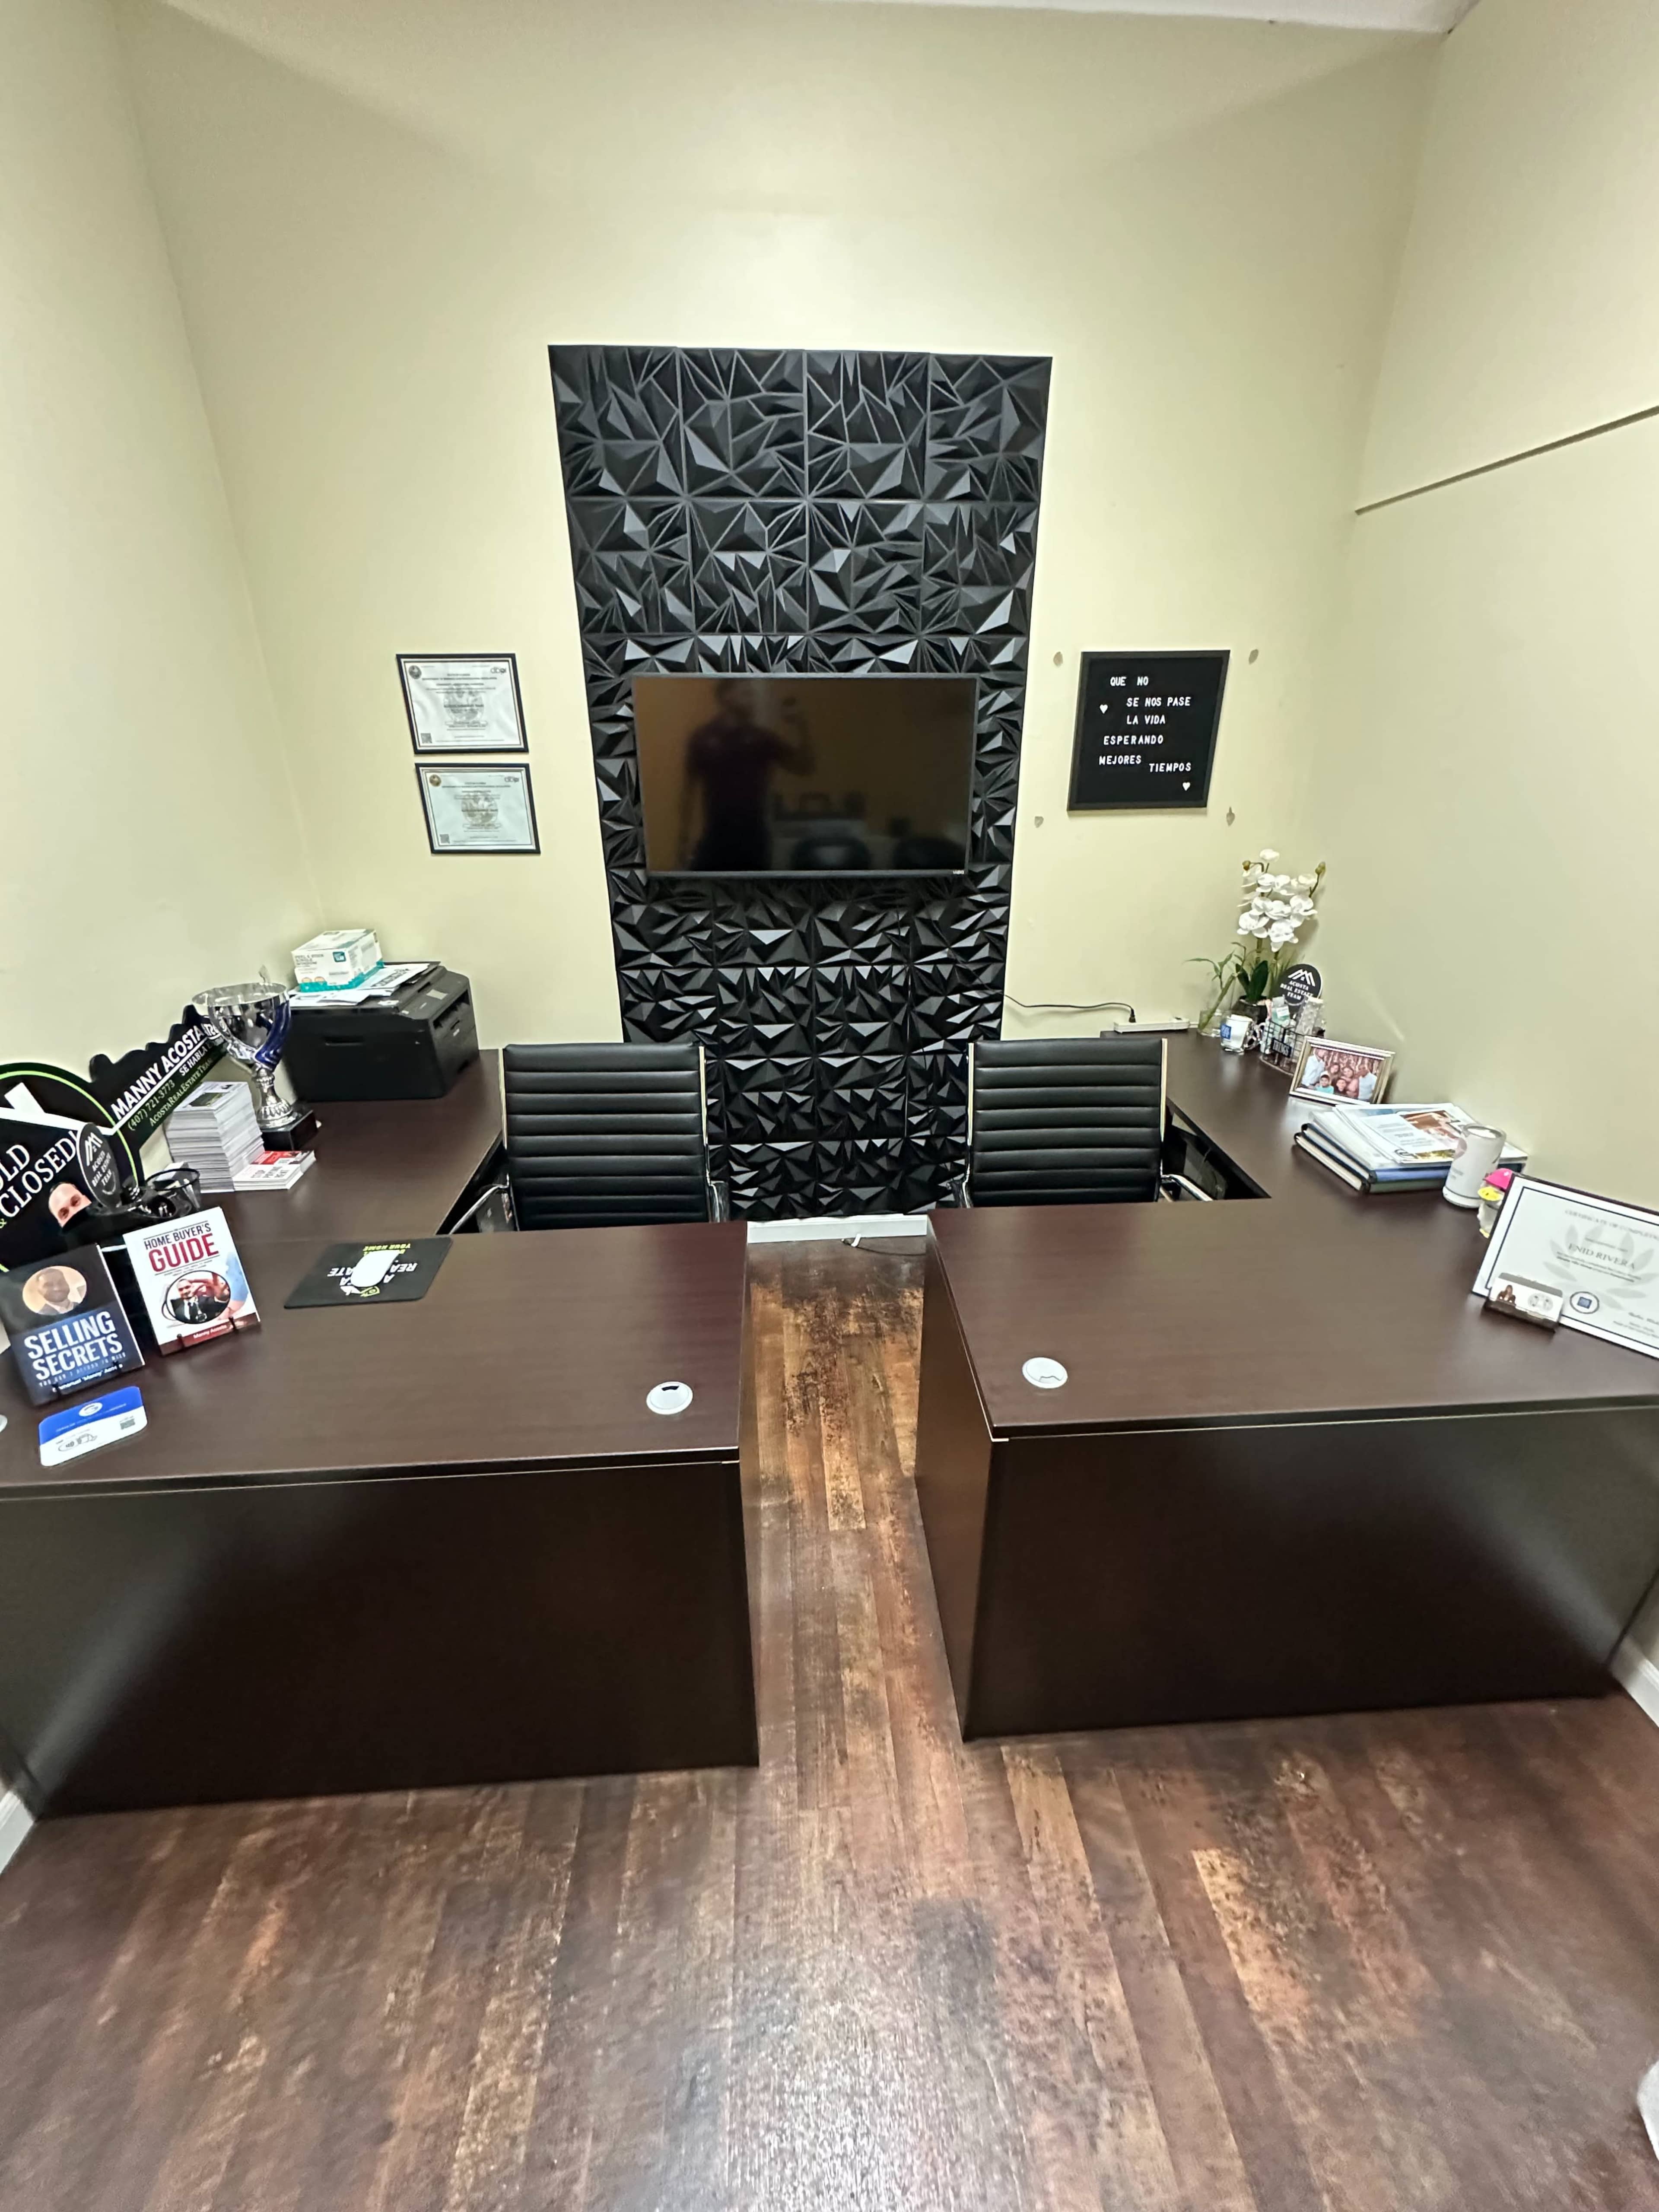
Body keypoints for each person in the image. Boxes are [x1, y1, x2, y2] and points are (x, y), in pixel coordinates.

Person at [677, 681, 814, 871]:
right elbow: (688, 792)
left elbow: (805, 767)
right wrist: (683, 842)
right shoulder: (702, 738)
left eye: (752, 695)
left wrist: (801, 725)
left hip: (754, 838)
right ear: (726, 696)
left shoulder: (762, 739)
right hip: (716, 837)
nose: (752, 700)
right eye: (745, 694)